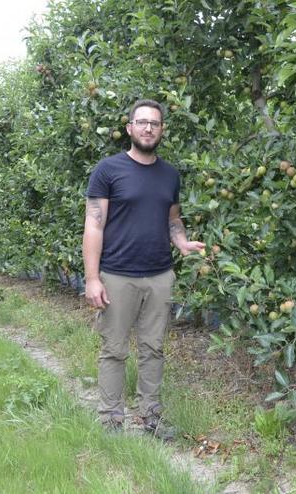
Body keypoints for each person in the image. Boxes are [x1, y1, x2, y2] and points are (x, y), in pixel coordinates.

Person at [82, 98, 204, 438]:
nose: (149, 128)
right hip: (117, 275)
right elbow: (94, 225)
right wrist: (92, 278)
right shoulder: (108, 170)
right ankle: (111, 420)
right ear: (129, 128)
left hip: (160, 275)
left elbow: (173, 219)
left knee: (154, 349)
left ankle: (152, 417)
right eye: (142, 122)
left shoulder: (170, 175)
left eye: (155, 123)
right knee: (114, 350)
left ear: (162, 130)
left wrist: (181, 242)